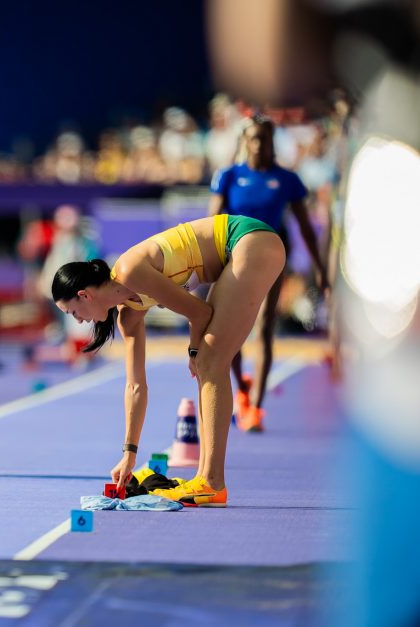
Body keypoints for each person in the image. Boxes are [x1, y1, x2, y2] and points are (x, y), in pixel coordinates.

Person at [51, 213, 286, 507]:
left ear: (84, 296)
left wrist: (193, 350)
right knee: (207, 364)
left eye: (73, 313)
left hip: (250, 240)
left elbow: (199, 313)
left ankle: (212, 483)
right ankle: (205, 478)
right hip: (243, 248)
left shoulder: (129, 270)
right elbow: (135, 387)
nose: (80, 321)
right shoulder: (128, 316)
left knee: (210, 362)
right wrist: (129, 454)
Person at [208, 115, 328, 431]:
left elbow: (305, 227)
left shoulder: (287, 179)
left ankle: (256, 408)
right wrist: (207, 262)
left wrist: (321, 270)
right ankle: (243, 390)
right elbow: (211, 224)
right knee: (231, 333)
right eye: (255, 138)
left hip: (272, 258)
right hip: (234, 259)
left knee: (264, 328)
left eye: (266, 139)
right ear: (245, 142)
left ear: (273, 142)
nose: (261, 145)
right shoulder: (229, 176)